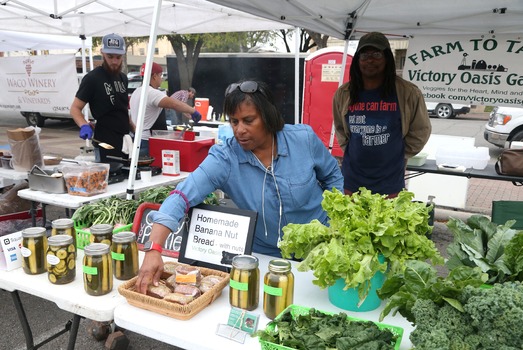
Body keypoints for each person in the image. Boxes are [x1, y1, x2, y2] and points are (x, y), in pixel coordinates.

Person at [135, 80, 343, 294]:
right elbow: (182, 196)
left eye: (248, 120)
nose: (239, 130)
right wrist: (154, 249)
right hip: (266, 258)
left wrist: (335, 222)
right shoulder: (225, 159)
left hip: (320, 253)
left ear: (269, 116)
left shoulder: (303, 140)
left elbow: (333, 176)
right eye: (234, 122)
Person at [332, 31, 431, 198]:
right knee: (352, 223)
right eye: (364, 54)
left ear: (387, 58)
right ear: (358, 60)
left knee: (387, 224)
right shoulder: (344, 93)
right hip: (352, 181)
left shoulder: (408, 93)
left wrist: (397, 154)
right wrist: (352, 150)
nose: (370, 60)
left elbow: (421, 131)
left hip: (390, 182)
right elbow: (341, 129)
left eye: (377, 54)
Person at [70, 33, 134, 163]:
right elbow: (75, 108)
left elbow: (122, 110)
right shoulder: (92, 78)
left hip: (125, 139)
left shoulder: (123, 78)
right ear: (102, 53)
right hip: (105, 141)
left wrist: (135, 130)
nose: (114, 62)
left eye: (118, 57)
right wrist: (83, 125)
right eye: (110, 57)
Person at [129, 62, 201, 157]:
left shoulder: (136, 92)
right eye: (160, 75)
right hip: (147, 142)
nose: (161, 79)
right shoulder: (152, 93)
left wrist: (184, 110)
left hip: (137, 139)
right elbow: (173, 103)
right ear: (154, 76)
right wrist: (193, 111)